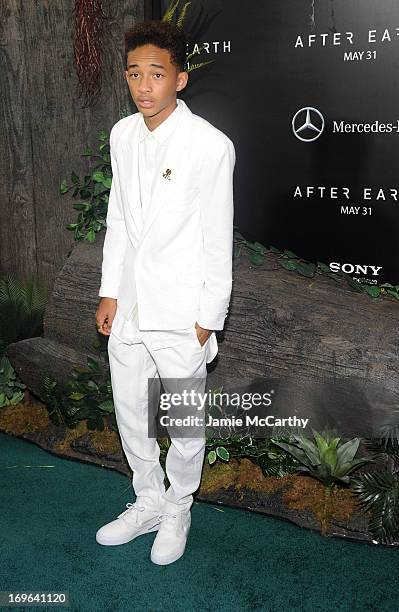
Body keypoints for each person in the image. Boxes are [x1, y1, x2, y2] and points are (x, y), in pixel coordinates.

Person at [95, 19, 236, 565]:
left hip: (182, 312)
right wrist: (110, 291)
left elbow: (216, 236)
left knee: (181, 419)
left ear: (179, 78)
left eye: (156, 74)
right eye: (134, 74)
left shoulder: (210, 146)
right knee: (132, 410)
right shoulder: (121, 135)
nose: (143, 86)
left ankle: (179, 506)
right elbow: (118, 218)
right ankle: (148, 500)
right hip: (129, 306)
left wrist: (209, 316)